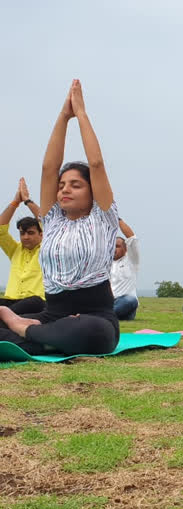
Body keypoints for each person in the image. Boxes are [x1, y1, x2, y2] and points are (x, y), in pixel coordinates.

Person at [0, 80, 121, 355]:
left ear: (93, 192)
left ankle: (24, 331)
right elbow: (48, 167)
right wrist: (62, 117)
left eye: (76, 185)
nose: (65, 188)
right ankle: (43, 337)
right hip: (52, 315)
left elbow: (97, 164)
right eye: (62, 185)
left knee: (94, 334)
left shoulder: (103, 217)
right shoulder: (52, 219)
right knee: (62, 331)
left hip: (95, 317)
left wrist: (80, 115)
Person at [0, 178, 45, 315]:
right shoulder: (15, 250)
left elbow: (48, 221)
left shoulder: (47, 249)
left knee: (30, 304)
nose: (25, 237)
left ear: (41, 234)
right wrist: (15, 202)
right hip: (11, 300)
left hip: (36, 303)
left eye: (31, 233)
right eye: (22, 233)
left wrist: (27, 201)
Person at [111, 218, 140, 320]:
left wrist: (117, 218)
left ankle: (104, 316)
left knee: (130, 300)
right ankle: (106, 315)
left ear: (126, 248)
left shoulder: (131, 260)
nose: (114, 249)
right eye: (112, 246)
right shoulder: (104, 263)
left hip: (124, 303)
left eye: (117, 246)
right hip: (107, 302)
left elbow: (132, 238)